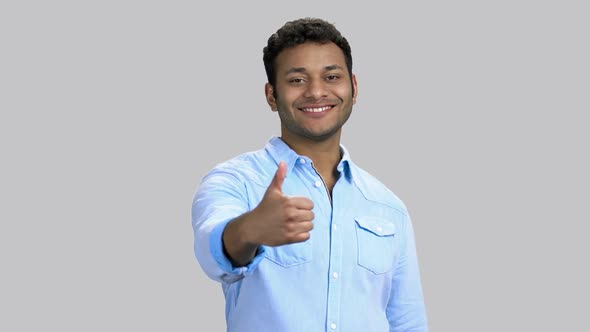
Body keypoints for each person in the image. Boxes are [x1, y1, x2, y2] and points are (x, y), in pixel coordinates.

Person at [192, 17, 428, 332]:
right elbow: (212, 252)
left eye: (331, 76)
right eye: (297, 80)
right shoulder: (234, 181)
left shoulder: (388, 206)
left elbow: (407, 321)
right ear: (271, 95)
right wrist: (250, 229)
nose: (316, 91)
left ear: (353, 87)